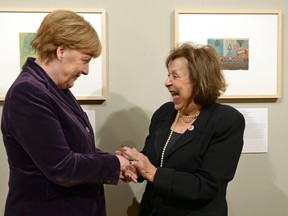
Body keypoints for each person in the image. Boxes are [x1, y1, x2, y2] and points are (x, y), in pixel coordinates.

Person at [1, 10, 130, 216]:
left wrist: (118, 163)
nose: (87, 70)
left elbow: (76, 150)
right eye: (85, 59)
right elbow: (62, 167)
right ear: (61, 51)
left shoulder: (56, 90)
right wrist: (113, 164)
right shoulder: (27, 92)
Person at [119, 43, 245, 216]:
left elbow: (207, 186)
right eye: (168, 75)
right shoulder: (164, 113)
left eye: (175, 76)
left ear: (199, 79)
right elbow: (153, 157)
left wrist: (152, 172)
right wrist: (134, 167)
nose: (167, 82)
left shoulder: (226, 120)